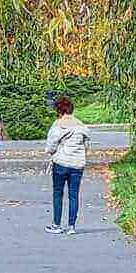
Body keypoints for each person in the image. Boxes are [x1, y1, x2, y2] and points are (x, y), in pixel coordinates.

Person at [44, 94, 89, 234]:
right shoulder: (81, 126)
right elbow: (86, 145)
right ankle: (71, 226)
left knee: (58, 193)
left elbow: (50, 146)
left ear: (59, 110)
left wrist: (52, 152)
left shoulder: (58, 125)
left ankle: (56, 225)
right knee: (74, 195)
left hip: (61, 163)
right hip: (77, 164)